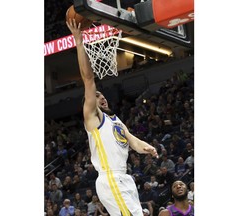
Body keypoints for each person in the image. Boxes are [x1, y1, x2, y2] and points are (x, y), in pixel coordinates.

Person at [66, 18, 159, 216]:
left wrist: (147, 148)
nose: (102, 98)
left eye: (102, 95)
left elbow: (132, 141)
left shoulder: (115, 120)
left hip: (125, 178)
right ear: (89, 102)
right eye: (96, 96)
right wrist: (79, 42)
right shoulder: (93, 117)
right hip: (110, 179)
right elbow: (89, 80)